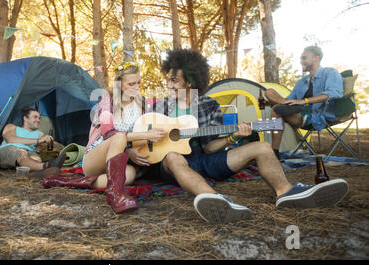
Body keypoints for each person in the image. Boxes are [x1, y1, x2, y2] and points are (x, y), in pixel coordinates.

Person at [140, 48, 349, 225]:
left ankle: (285, 192)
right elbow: (142, 134)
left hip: (206, 158)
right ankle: (215, 201)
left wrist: (233, 138)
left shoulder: (208, 105)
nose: (168, 84)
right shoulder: (159, 107)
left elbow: (210, 148)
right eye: (168, 79)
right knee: (173, 157)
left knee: (263, 148)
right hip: (176, 163)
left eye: (174, 80)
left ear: (189, 82)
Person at [42, 62, 165, 214]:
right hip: (96, 157)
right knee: (119, 136)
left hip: (118, 159)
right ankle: (115, 194)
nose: (136, 87)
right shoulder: (107, 100)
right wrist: (144, 136)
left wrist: (132, 149)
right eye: (131, 84)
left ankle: (67, 182)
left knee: (130, 174)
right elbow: (109, 133)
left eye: (139, 82)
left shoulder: (141, 103)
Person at [264, 46, 343, 158]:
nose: (301, 61)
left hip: (317, 114)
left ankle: (274, 152)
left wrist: (304, 101)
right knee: (270, 93)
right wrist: (271, 101)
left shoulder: (330, 73)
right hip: (297, 111)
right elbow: (290, 99)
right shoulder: (302, 81)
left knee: (276, 110)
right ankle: (275, 152)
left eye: (304, 58)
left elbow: (334, 93)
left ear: (316, 58)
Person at [0, 106, 66, 179]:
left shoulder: (40, 134)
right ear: (25, 118)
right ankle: (47, 166)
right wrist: (38, 140)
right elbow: (10, 139)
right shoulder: (12, 127)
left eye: (39, 118)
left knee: (37, 159)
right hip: (9, 149)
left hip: (28, 152)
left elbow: (42, 148)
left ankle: (34, 175)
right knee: (23, 153)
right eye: (35, 117)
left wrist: (43, 147)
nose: (38, 120)